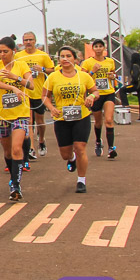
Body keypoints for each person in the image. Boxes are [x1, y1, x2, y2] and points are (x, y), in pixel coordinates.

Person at [42, 46, 98, 193]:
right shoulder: (53, 77)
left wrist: (91, 97)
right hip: (62, 118)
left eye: (68, 56)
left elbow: (95, 91)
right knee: (65, 154)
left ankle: (81, 181)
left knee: (80, 148)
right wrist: (51, 108)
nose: (65, 59)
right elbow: (45, 96)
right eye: (62, 56)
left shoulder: (83, 76)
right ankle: (71, 158)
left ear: (75, 59)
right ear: (58, 60)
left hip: (81, 116)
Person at [0, 35, 34, 201]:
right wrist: (11, 88)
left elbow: (31, 84)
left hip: (20, 113)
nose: (2, 54)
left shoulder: (22, 65)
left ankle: (16, 184)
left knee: (16, 148)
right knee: (7, 151)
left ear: (13, 51)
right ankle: (12, 178)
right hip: (1, 113)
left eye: (5, 51)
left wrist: (17, 79)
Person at [15, 32, 55, 160]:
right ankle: (31, 148)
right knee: (29, 121)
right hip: (25, 93)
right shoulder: (18, 56)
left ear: (35, 41)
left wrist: (42, 69)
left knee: (40, 121)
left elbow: (52, 70)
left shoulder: (42, 55)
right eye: (25, 40)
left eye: (30, 40)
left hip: (39, 92)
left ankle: (42, 140)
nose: (28, 42)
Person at [81, 39, 118, 159]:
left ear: (104, 48)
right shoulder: (87, 62)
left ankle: (111, 148)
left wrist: (113, 76)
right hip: (95, 94)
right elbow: (82, 78)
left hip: (108, 93)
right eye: (96, 46)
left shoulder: (110, 61)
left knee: (108, 120)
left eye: (100, 46)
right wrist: (93, 71)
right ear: (93, 48)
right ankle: (98, 141)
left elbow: (113, 74)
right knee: (98, 122)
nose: (98, 48)